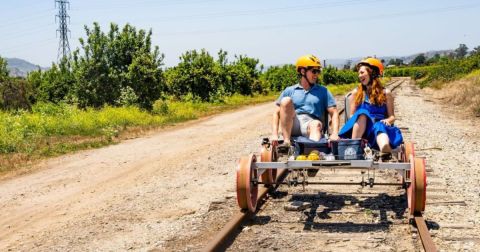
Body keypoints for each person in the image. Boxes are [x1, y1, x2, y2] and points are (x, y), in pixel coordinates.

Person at [338, 57, 403, 159]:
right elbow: (351, 115)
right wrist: (364, 117)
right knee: (363, 113)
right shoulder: (356, 93)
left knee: (379, 125)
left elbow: (392, 117)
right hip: (362, 130)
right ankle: (354, 146)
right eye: (359, 73)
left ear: (372, 73)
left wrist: (387, 120)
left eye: (362, 72)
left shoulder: (386, 93)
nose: (359, 76)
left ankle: (384, 149)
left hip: (377, 131)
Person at [272, 54, 339, 147]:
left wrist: (335, 133)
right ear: (303, 71)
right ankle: (287, 143)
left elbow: (334, 112)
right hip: (293, 123)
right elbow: (276, 112)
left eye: (318, 71)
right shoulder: (290, 90)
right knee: (286, 100)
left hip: (311, 123)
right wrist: (274, 134)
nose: (317, 75)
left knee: (315, 124)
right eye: (314, 71)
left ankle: (313, 151)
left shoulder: (323, 91)